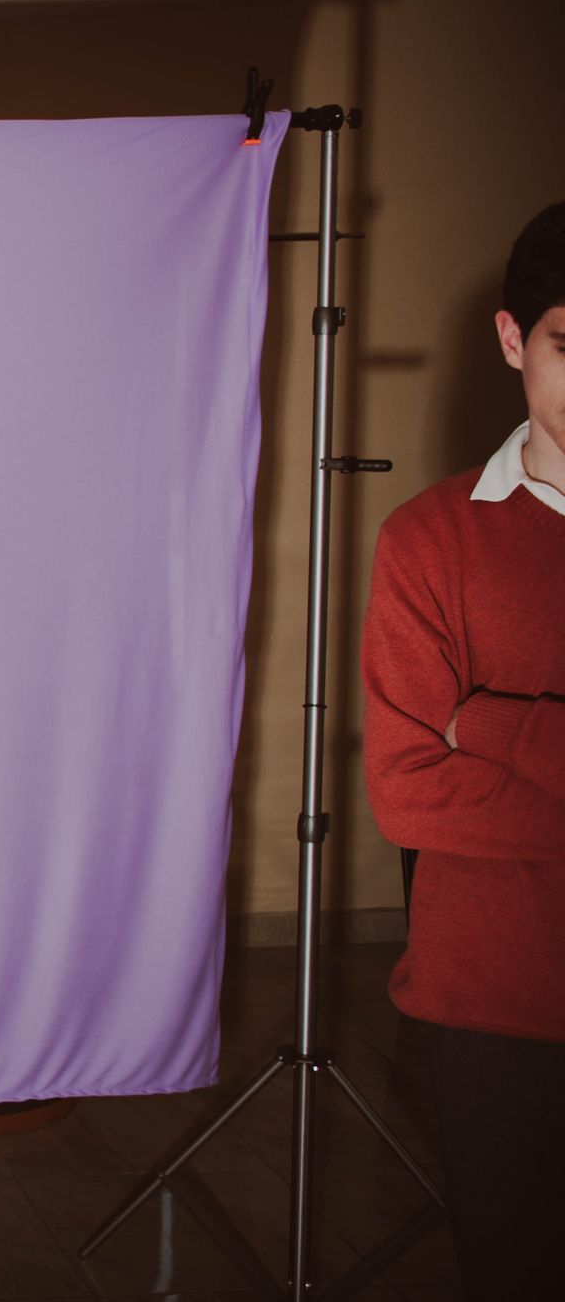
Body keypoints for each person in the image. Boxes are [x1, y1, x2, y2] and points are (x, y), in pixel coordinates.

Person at [362, 200, 565, 1299]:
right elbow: (405, 797)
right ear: (511, 339)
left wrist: (485, 723)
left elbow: (449, 760)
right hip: (487, 999)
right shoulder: (427, 540)